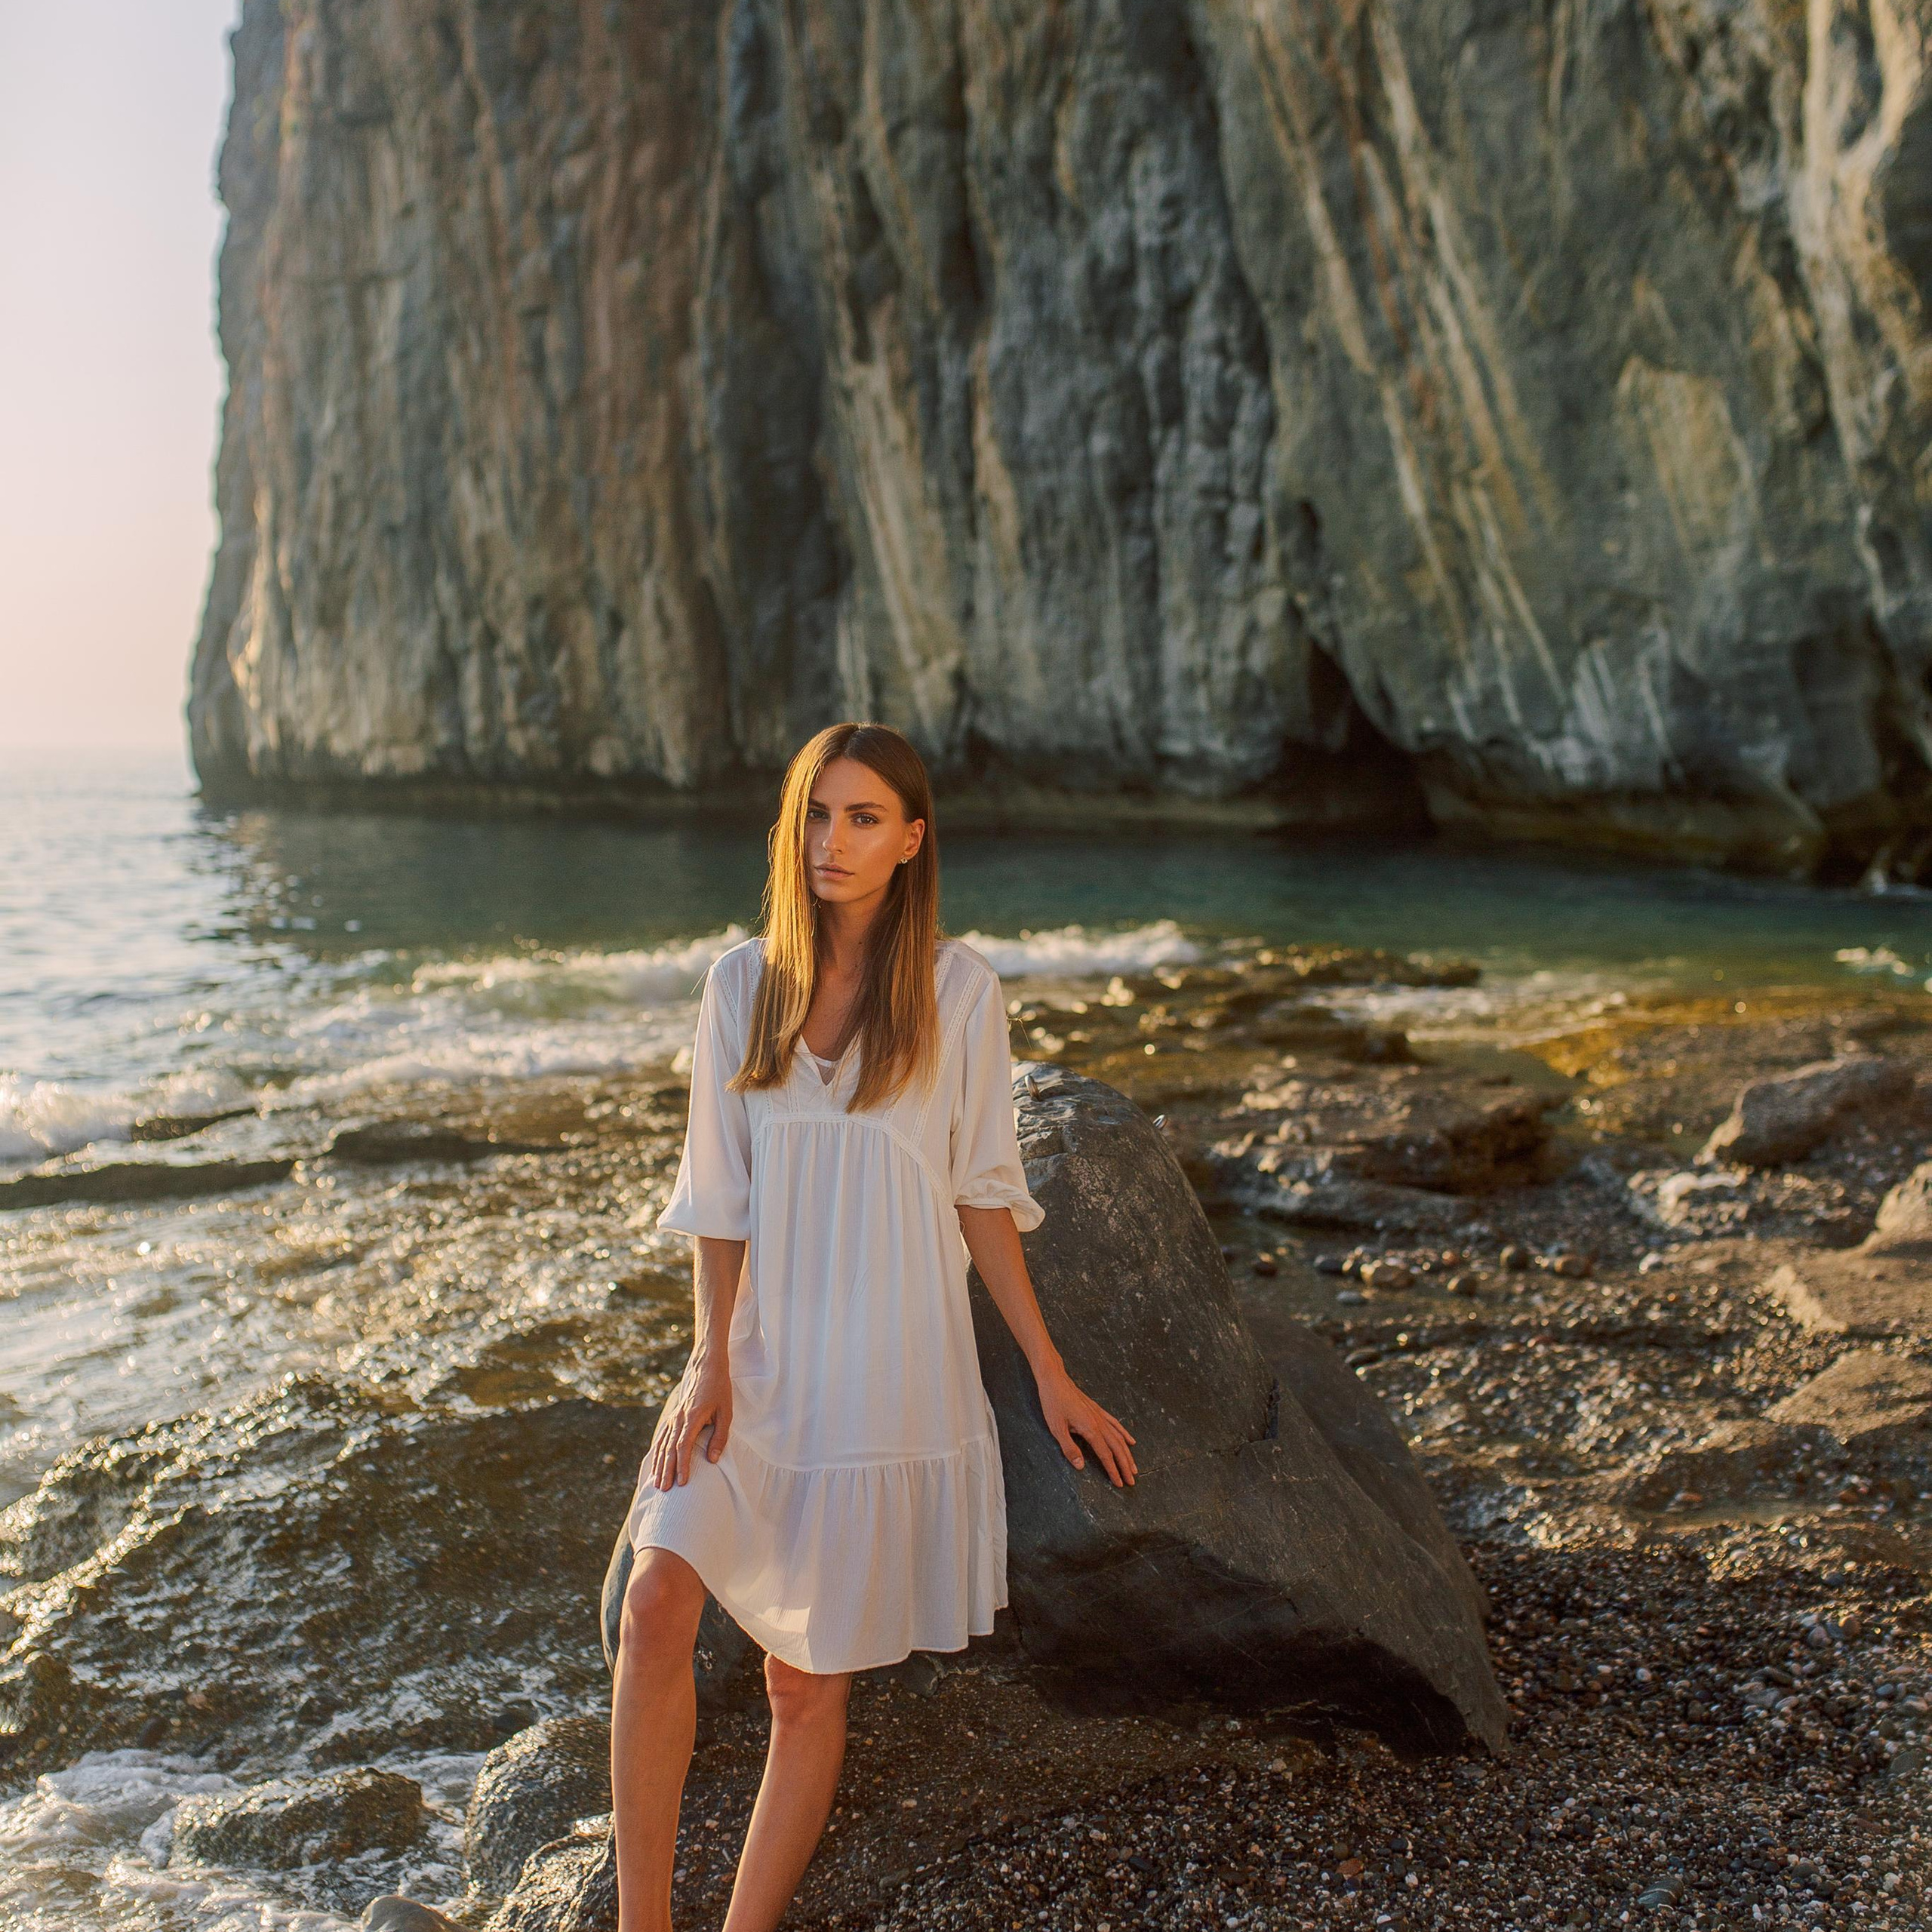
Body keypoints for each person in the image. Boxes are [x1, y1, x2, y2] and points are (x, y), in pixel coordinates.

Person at [608, 721, 1137, 1932]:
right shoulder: (741, 985)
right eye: (814, 814)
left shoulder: (960, 994)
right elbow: (716, 1198)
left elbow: (982, 1194)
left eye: (861, 819)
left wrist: (1050, 1374)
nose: (831, 842)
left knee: (806, 1686)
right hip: (756, 1365)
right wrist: (705, 1361)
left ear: (911, 839)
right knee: (651, 1606)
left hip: (887, 1379)